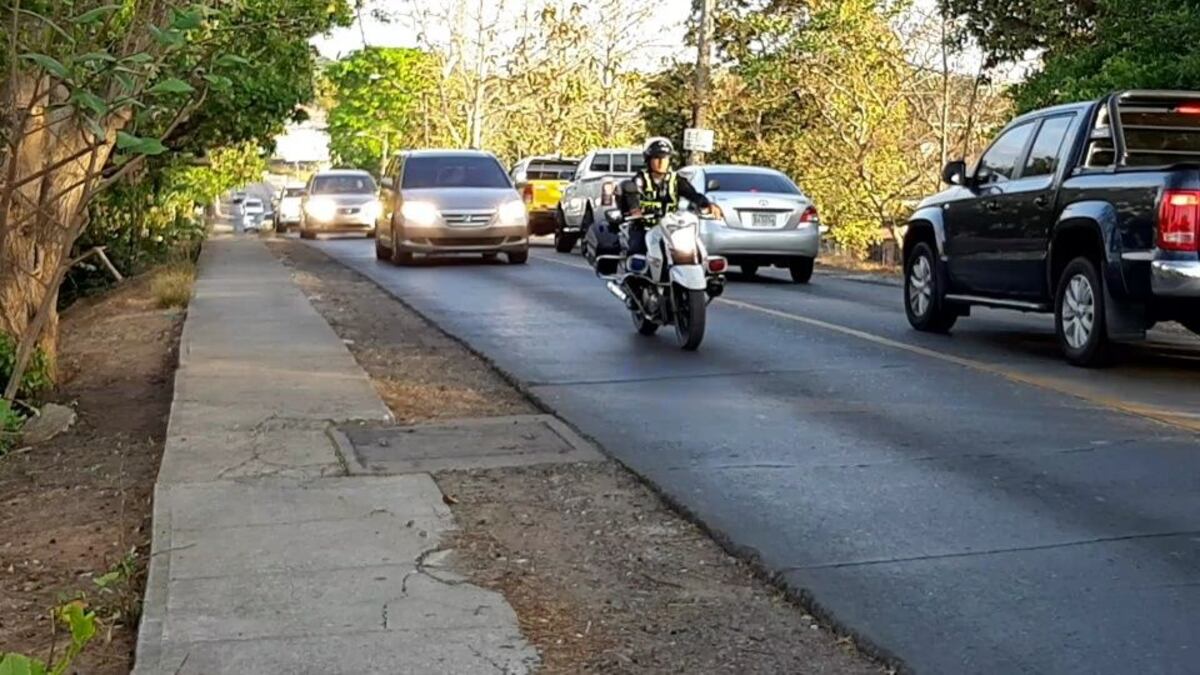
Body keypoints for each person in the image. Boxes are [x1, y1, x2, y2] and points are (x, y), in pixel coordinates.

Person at [616, 137, 724, 258]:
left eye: (665, 158)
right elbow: (630, 193)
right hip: (645, 228)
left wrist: (707, 205)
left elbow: (693, 195)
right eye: (657, 158)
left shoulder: (676, 180)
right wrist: (635, 210)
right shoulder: (640, 179)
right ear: (648, 160)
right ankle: (634, 275)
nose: (661, 162)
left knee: (698, 252)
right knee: (636, 253)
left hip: (671, 229)